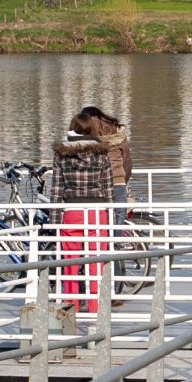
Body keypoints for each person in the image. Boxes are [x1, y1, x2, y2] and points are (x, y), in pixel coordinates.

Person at [53, 109, 117, 316]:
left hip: (72, 211)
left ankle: (70, 307)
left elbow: (56, 189)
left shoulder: (61, 155)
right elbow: (108, 189)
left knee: (70, 263)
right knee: (95, 262)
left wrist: (55, 221)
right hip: (97, 211)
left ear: (72, 129)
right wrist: (111, 219)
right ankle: (95, 308)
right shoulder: (101, 154)